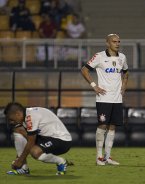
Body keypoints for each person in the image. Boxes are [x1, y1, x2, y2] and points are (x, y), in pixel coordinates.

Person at [81, 34, 129, 166]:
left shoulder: (122, 57)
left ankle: (108, 157)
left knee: (112, 127)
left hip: (117, 98)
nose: (117, 44)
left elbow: (126, 72)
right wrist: (94, 86)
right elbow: (84, 70)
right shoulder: (99, 56)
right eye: (114, 41)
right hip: (104, 98)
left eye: (119, 41)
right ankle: (99, 157)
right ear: (107, 43)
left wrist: (124, 86)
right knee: (102, 125)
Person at [4, 102, 72, 175]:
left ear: (18, 114)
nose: (11, 122)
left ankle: (61, 162)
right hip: (46, 137)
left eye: (11, 119)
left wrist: (20, 160)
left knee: (35, 152)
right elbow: (24, 141)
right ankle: (24, 169)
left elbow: (31, 142)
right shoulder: (26, 115)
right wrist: (19, 158)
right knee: (18, 130)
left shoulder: (30, 117)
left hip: (62, 140)